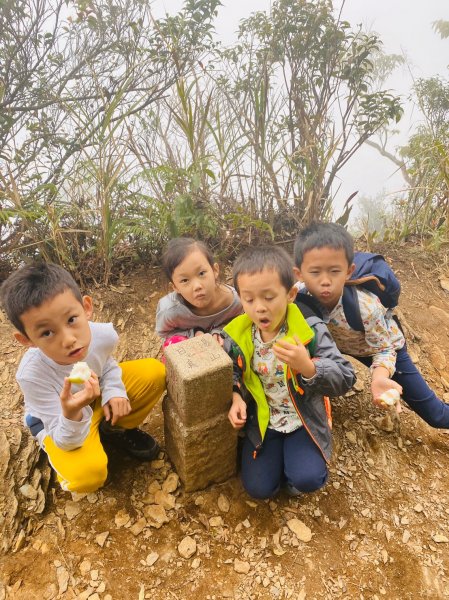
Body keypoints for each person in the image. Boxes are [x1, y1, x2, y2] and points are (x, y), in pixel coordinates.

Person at [0, 263, 166, 494]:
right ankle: (68, 456)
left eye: (71, 320)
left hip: (92, 396)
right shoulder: (32, 375)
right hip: (58, 420)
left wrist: (114, 391)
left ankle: (116, 429)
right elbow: (63, 438)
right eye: (47, 333)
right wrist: (71, 412)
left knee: (153, 372)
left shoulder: (102, 335)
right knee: (88, 477)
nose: (68, 339)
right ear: (26, 339)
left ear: (86, 307)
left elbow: (105, 365)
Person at [222, 246, 355, 499]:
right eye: (249, 299)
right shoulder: (237, 335)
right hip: (263, 421)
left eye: (269, 297)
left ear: (291, 294)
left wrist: (309, 367)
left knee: (306, 479)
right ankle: (279, 466)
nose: (259, 308)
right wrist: (236, 395)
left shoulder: (309, 329)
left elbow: (346, 376)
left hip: (302, 418)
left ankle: (297, 468)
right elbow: (231, 370)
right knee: (260, 489)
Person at [293, 221, 449, 429]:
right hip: (336, 345)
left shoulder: (365, 307)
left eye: (334, 271)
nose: (325, 281)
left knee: (435, 415)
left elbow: (385, 349)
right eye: (315, 272)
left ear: (349, 271)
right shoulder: (296, 296)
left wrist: (379, 377)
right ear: (299, 274)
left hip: (378, 347)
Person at [156, 237, 242, 347]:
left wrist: (219, 331)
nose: (197, 286)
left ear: (215, 270)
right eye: (185, 280)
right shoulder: (170, 310)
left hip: (219, 349)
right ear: (175, 287)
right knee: (173, 344)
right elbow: (164, 334)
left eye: (201, 273)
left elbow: (237, 324)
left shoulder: (236, 302)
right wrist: (193, 333)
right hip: (191, 350)